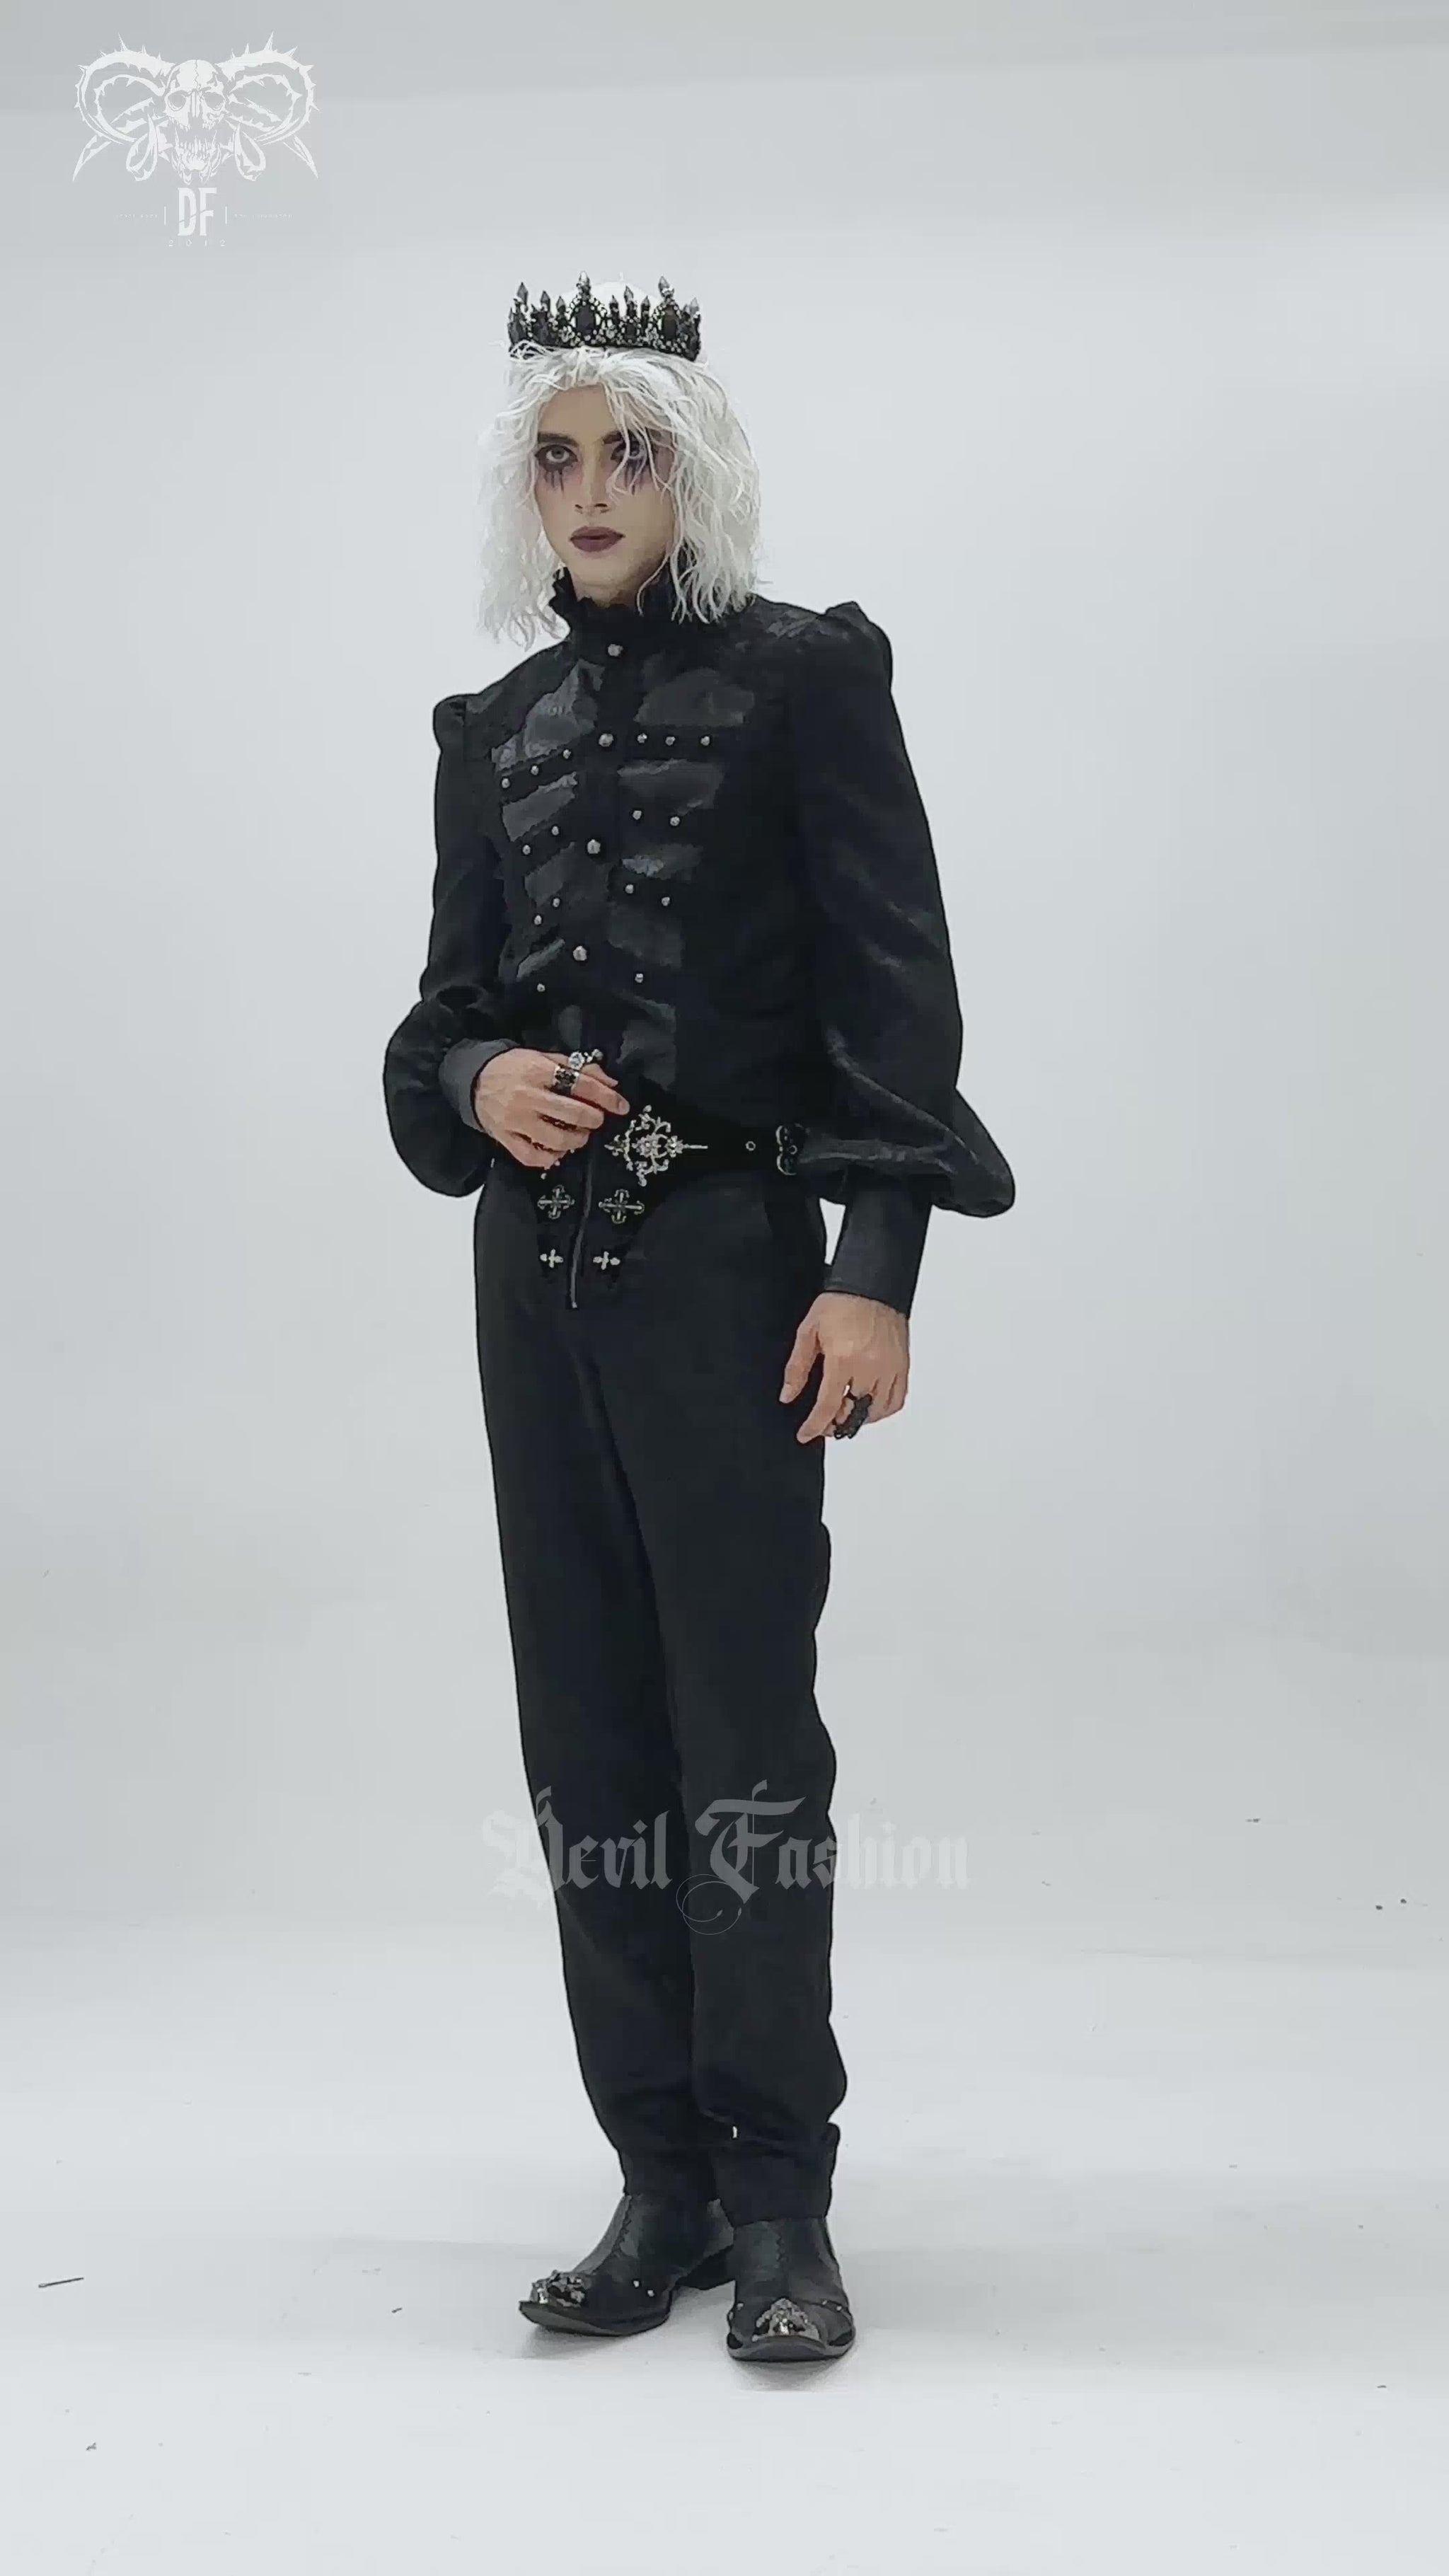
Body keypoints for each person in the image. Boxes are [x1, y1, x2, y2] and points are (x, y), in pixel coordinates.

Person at [382, 272, 1015, 2364]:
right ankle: (655, 2176)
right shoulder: (492, 734)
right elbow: (439, 1016)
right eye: (557, 457)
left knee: (746, 1736)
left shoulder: (808, 679)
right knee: (586, 1737)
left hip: (734, 1269)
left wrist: (875, 1264)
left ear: (693, 468)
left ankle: (778, 2198)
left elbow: (896, 996)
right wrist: (478, 1074)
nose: (590, 490)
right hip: (534, 1289)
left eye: (629, 452)